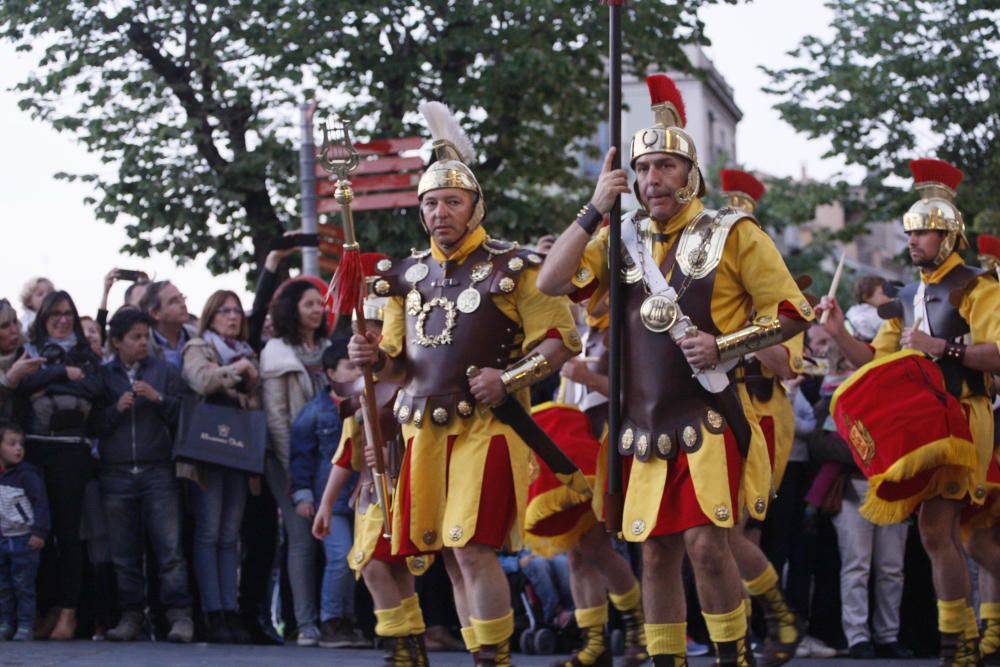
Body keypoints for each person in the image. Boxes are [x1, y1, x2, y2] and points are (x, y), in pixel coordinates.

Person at [537, 74, 812, 667]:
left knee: (708, 546)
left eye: (665, 166)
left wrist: (726, 345)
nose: (652, 179)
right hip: (641, 418)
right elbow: (551, 282)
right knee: (655, 552)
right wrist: (592, 208)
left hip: (709, 415)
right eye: (642, 168)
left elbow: (793, 313)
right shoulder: (618, 237)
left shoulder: (733, 233)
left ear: (690, 175)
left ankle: (734, 655)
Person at [348, 100, 580, 666]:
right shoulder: (403, 277)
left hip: (488, 428)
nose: (439, 212)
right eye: (430, 203)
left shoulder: (516, 265)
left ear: (476, 207)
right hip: (421, 429)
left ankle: (492, 659)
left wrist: (513, 376)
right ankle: (482, 650)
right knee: (449, 556)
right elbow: (398, 365)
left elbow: (560, 339)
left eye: (452, 200)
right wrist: (370, 356)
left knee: (473, 550)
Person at [819, 158, 1000, 664]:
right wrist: (836, 333)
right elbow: (875, 363)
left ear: (948, 236)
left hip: (965, 416)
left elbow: (998, 353)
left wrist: (943, 347)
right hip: (925, 421)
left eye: (925, 232)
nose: (914, 240)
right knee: (959, 535)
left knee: (938, 530)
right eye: (911, 232)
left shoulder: (976, 286)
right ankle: (971, 636)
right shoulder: (905, 295)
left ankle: (958, 643)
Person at [718, 169, 806, 666]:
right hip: (714, 408)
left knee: (737, 532)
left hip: (763, 413)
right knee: (720, 536)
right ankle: (748, 632)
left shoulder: (776, 294)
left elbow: (786, 365)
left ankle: (778, 618)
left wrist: (754, 323)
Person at [94, 308, 193, 643]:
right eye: (134, 338)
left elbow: (185, 414)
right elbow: (93, 424)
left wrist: (158, 398)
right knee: (124, 553)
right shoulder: (105, 376)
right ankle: (131, 617)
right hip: (116, 473)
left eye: (145, 336)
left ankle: (179, 616)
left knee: (169, 550)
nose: (142, 343)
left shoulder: (164, 371)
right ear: (117, 342)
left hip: (157, 470)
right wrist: (114, 410)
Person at [15, 290, 102, 640]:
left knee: (68, 534)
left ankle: (69, 612)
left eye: (68, 312)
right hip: (35, 450)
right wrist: (65, 373)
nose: (63, 319)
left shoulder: (87, 354)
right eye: (55, 313)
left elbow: (96, 390)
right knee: (39, 534)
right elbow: (23, 384)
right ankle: (46, 607)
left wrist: (48, 381)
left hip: (72, 452)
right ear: (43, 316)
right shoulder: (31, 350)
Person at [180, 290, 260, 644]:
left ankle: (231, 611)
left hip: (240, 452)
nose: (233, 317)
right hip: (207, 451)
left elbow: (256, 399)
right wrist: (235, 373)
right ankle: (212, 612)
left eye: (237, 311)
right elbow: (200, 380)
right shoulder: (198, 347)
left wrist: (240, 382)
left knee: (230, 536)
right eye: (225, 311)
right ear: (210, 316)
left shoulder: (247, 353)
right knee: (209, 533)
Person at [260, 279, 330, 646]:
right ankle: (305, 623)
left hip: (330, 457)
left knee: (333, 538)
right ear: (292, 309)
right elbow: (276, 418)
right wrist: (294, 473)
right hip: (288, 458)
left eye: (320, 303)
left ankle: (336, 618)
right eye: (309, 304)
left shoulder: (330, 348)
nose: (318, 309)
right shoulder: (276, 351)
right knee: (302, 538)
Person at [290, 338, 365, 649]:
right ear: (331, 373)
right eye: (350, 366)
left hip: (360, 497)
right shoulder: (314, 412)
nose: (357, 371)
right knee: (340, 557)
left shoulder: (366, 403)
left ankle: (347, 620)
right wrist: (303, 496)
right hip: (328, 499)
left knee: (356, 560)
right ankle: (330, 620)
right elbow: (300, 457)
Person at [0, 424, 49, 641]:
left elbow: (41, 504)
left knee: (24, 585)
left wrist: (39, 532)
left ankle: (26, 624)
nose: (18, 449)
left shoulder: (27, 475)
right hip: (2, 537)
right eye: (11, 444)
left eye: (21, 445)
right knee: (3, 585)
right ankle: (6, 622)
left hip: (24, 538)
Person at [0, 299, 43, 426]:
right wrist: (10, 379)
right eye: (4, 326)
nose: (14, 330)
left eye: (15, 322)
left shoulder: (30, 351)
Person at [139, 281, 194, 368]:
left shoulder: (196, 335)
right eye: (173, 301)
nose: (183, 304)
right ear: (155, 313)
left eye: (182, 297)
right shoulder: (144, 346)